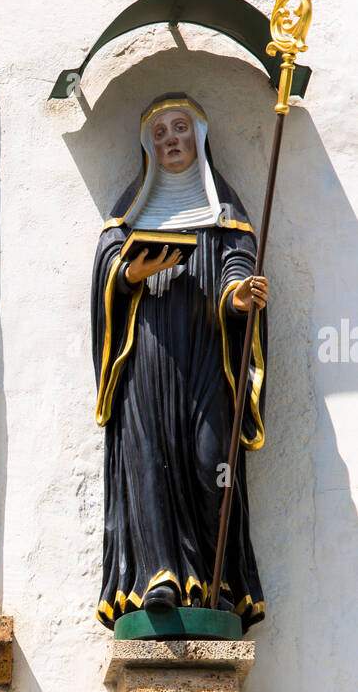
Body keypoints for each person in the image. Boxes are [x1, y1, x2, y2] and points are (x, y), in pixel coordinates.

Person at [91, 93, 268, 630]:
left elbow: (238, 261)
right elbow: (106, 274)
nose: (171, 140)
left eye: (180, 129)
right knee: (148, 455)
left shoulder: (226, 214)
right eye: (161, 133)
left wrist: (239, 296)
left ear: (199, 137)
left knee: (212, 458)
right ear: (150, 146)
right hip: (145, 354)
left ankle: (215, 584)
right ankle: (157, 576)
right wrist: (128, 275)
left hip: (208, 352)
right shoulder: (128, 215)